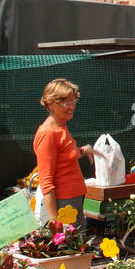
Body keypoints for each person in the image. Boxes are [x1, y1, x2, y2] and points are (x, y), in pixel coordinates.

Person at [33, 79, 94, 229]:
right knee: (70, 246)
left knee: (79, 244)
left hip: (73, 200)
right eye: (66, 104)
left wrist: (83, 150)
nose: (72, 107)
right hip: (63, 203)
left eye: (74, 101)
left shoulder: (61, 126)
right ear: (50, 105)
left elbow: (64, 156)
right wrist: (55, 224)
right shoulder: (48, 133)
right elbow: (46, 182)